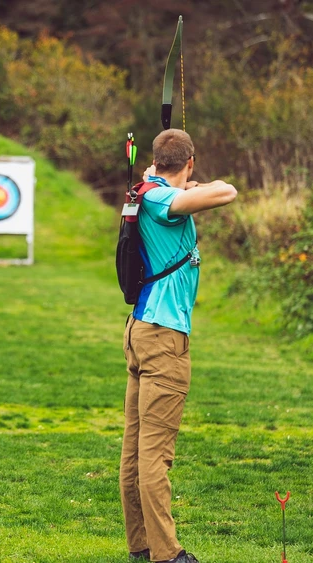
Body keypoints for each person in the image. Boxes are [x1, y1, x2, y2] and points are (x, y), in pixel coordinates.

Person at [120, 128, 237, 563]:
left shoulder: (144, 191)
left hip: (141, 330)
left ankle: (142, 546)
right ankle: (166, 555)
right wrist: (186, 184)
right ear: (190, 162)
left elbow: (180, 193)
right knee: (154, 454)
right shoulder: (161, 199)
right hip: (164, 337)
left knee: (135, 449)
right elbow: (227, 192)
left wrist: (173, 179)